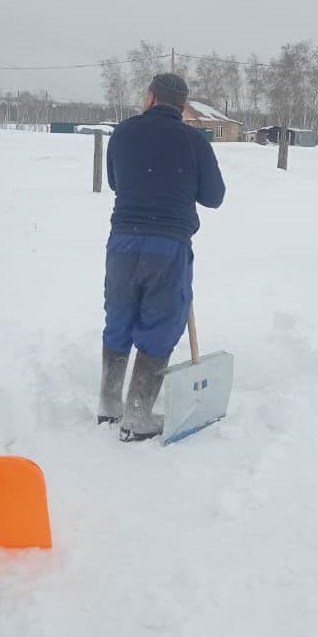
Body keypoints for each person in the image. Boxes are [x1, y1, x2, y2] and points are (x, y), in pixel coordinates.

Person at [99, 72, 226, 441]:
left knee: (119, 315)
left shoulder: (123, 132)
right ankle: (137, 415)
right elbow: (214, 196)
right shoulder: (193, 140)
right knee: (160, 323)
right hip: (167, 246)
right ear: (182, 105)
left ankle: (109, 404)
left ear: (151, 97)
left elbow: (115, 182)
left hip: (122, 242)